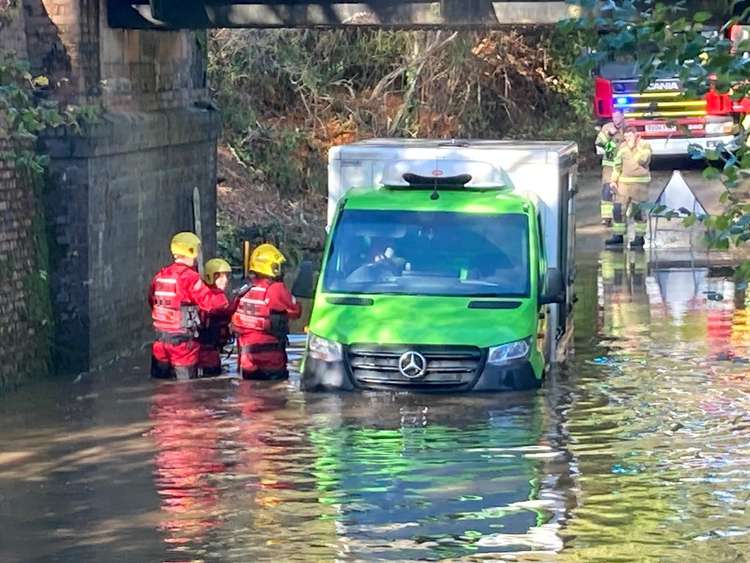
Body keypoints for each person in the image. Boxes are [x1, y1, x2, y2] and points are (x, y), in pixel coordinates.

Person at [149, 232, 229, 380]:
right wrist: (225, 300)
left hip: (160, 341)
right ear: (191, 250)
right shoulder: (190, 277)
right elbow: (209, 304)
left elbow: (151, 300)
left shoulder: (161, 275)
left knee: (160, 385)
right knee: (186, 391)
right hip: (182, 344)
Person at [231, 243, 302, 380]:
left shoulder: (242, 289)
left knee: (249, 397)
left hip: (246, 359)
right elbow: (296, 311)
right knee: (273, 397)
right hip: (271, 359)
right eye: (277, 266)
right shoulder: (276, 289)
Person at [606, 126, 652, 250]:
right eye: (625, 136)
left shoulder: (644, 145)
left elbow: (643, 160)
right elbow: (617, 165)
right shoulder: (622, 147)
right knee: (618, 210)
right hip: (624, 185)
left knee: (638, 212)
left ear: (635, 135)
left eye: (630, 135)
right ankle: (618, 236)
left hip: (640, 185)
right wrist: (613, 180)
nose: (627, 138)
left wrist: (634, 147)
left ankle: (639, 238)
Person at [197, 258, 234, 376]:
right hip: (208, 352)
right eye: (220, 276)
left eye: (226, 276)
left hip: (208, 350)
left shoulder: (202, 293)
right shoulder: (216, 297)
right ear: (210, 277)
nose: (225, 280)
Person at [596, 110, 626, 227]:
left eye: (618, 118)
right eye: (614, 118)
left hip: (624, 165)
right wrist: (609, 134)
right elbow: (599, 142)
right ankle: (606, 217)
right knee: (607, 190)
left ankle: (621, 214)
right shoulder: (607, 127)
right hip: (610, 164)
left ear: (623, 117)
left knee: (622, 190)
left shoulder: (628, 128)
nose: (616, 120)